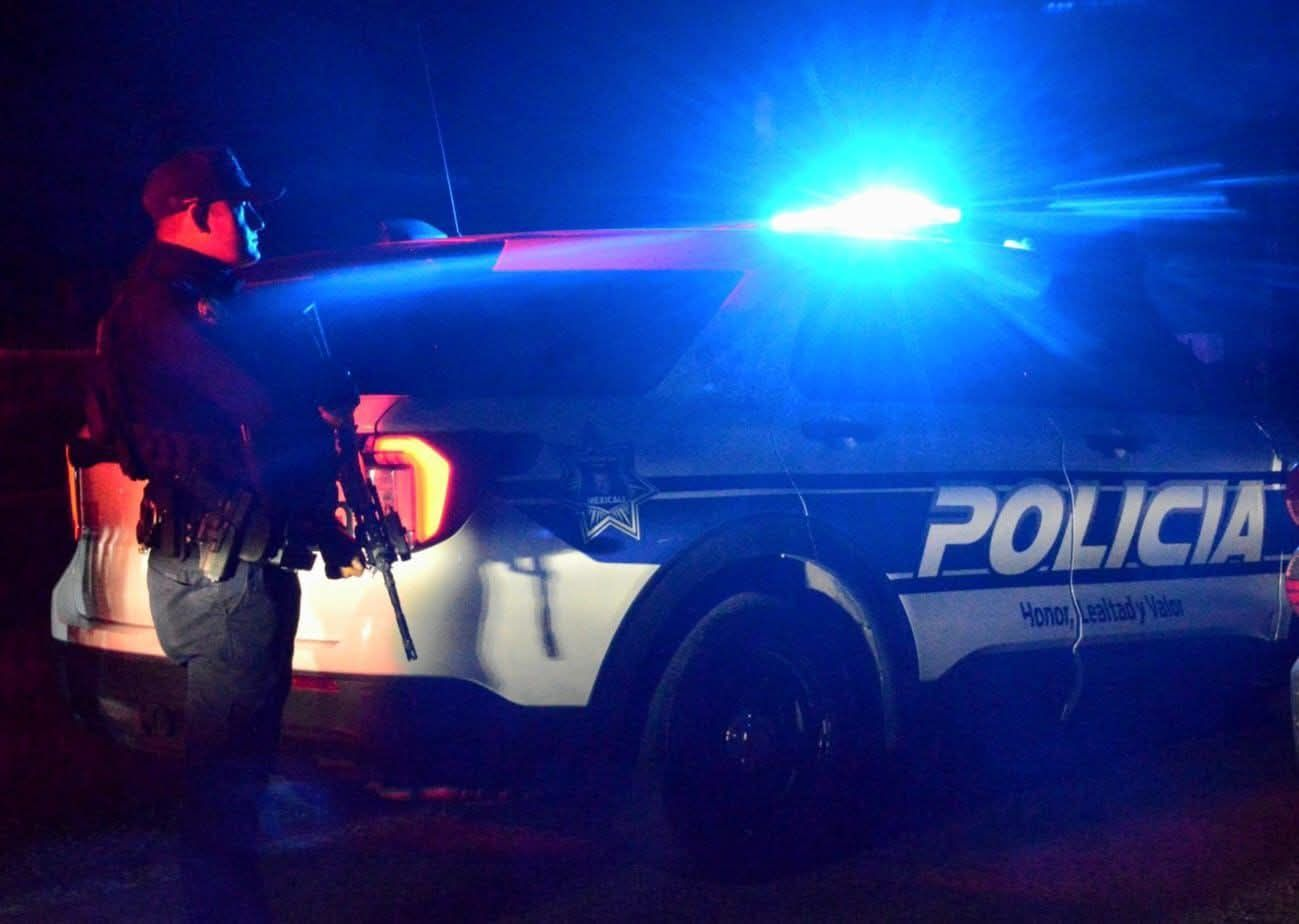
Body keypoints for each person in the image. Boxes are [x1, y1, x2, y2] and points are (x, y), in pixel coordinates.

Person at [92, 147, 362, 922]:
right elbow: (257, 405)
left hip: (216, 557)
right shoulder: (167, 307)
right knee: (227, 771)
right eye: (241, 207)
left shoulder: (187, 300)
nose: (255, 221)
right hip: (225, 571)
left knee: (230, 765)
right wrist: (313, 386)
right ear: (197, 211)